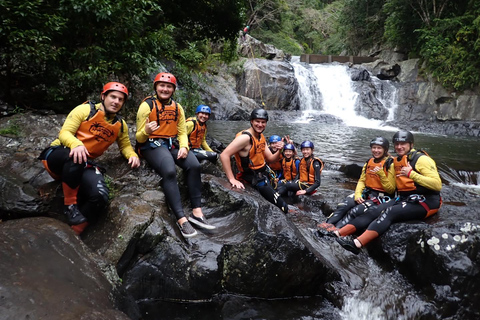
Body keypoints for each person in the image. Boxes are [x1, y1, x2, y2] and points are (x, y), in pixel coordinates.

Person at [38, 82, 140, 235]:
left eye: (120, 99)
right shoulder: (85, 110)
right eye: (113, 97)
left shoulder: (121, 125)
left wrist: (132, 155)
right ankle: (70, 206)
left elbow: (125, 145)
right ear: (103, 96)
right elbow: (65, 133)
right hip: (59, 156)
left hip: (83, 163)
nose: (116, 102)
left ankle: (73, 232)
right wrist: (76, 144)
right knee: (77, 155)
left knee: (100, 195)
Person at [135, 72, 215, 239]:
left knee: (194, 165)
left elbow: (181, 132)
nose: (165, 89)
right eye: (162, 86)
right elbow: (139, 137)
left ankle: (196, 211)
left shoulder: (178, 108)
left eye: (169, 86)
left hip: (171, 143)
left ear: (173, 89)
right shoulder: (147, 106)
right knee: (170, 171)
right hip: (151, 144)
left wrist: (185, 147)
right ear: (156, 87)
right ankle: (181, 219)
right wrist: (146, 131)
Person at [336, 130, 442, 254]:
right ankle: (338, 233)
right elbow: (391, 188)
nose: (399, 147)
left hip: (427, 201)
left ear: (411, 145)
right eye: (397, 144)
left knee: (390, 212)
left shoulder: (421, 159)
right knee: (374, 210)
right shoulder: (396, 161)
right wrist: (380, 176)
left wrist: (411, 174)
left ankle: (357, 244)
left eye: (403, 144)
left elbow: (437, 184)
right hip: (404, 198)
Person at [219, 108, 289, 213]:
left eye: (263, 122)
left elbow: (270, 158)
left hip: (262, 175)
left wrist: (280, 150)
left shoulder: (261, 137)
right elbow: (224, 155)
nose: (260, 125)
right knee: (284, 207)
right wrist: (232, 179)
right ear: (251, 121)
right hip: (253, 178)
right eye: (257, 121)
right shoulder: (245, 138)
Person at [319, 137, 395, 231]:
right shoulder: (369, 162)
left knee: (356, 210)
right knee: (344, 204)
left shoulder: (390, 164)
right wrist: (358, 194)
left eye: (379, 148)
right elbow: (362, 180)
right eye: (374, 148)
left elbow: (391, 189)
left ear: (385, 150)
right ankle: (328, 223)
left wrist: (381, 174)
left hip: (381, 197)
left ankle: (337, 228)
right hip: (368, 193)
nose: (376, 150)